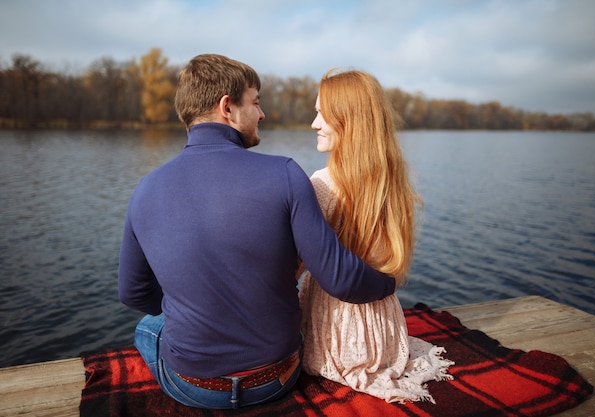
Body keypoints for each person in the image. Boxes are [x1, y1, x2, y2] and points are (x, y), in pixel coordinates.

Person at [117, 54, 397, 410]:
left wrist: (195, 306)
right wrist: (387, 282)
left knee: (147, 326)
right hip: (277, 378)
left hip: (194, 387)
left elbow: (132, 292)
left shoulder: (145, 189)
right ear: (227, 108)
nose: (262, 114)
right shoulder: (285, 174)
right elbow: (341, 279)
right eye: (256, 102)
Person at [298, 69, 454, 403]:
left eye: (322, 114)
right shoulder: (392, 182)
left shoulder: (322, 184)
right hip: (384, 330)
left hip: (337, 331)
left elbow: (293, 267)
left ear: (349, 120)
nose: (314, 123)